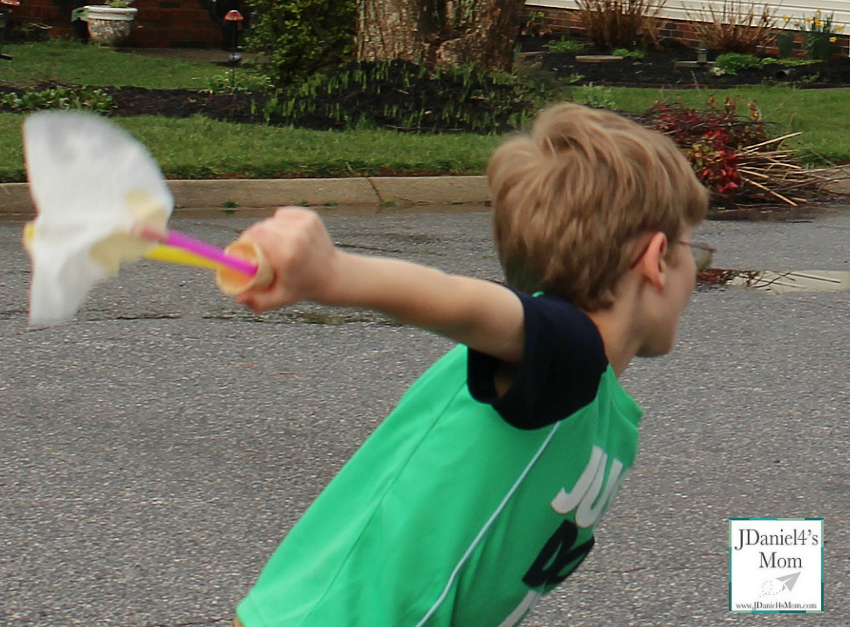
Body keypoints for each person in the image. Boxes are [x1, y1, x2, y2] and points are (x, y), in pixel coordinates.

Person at [230, 103, 711, 627]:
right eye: (696, 252)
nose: (696, 274)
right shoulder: (572, 352)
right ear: (657, 259)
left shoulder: (588, 397)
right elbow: (474, 305)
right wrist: (334, 275)